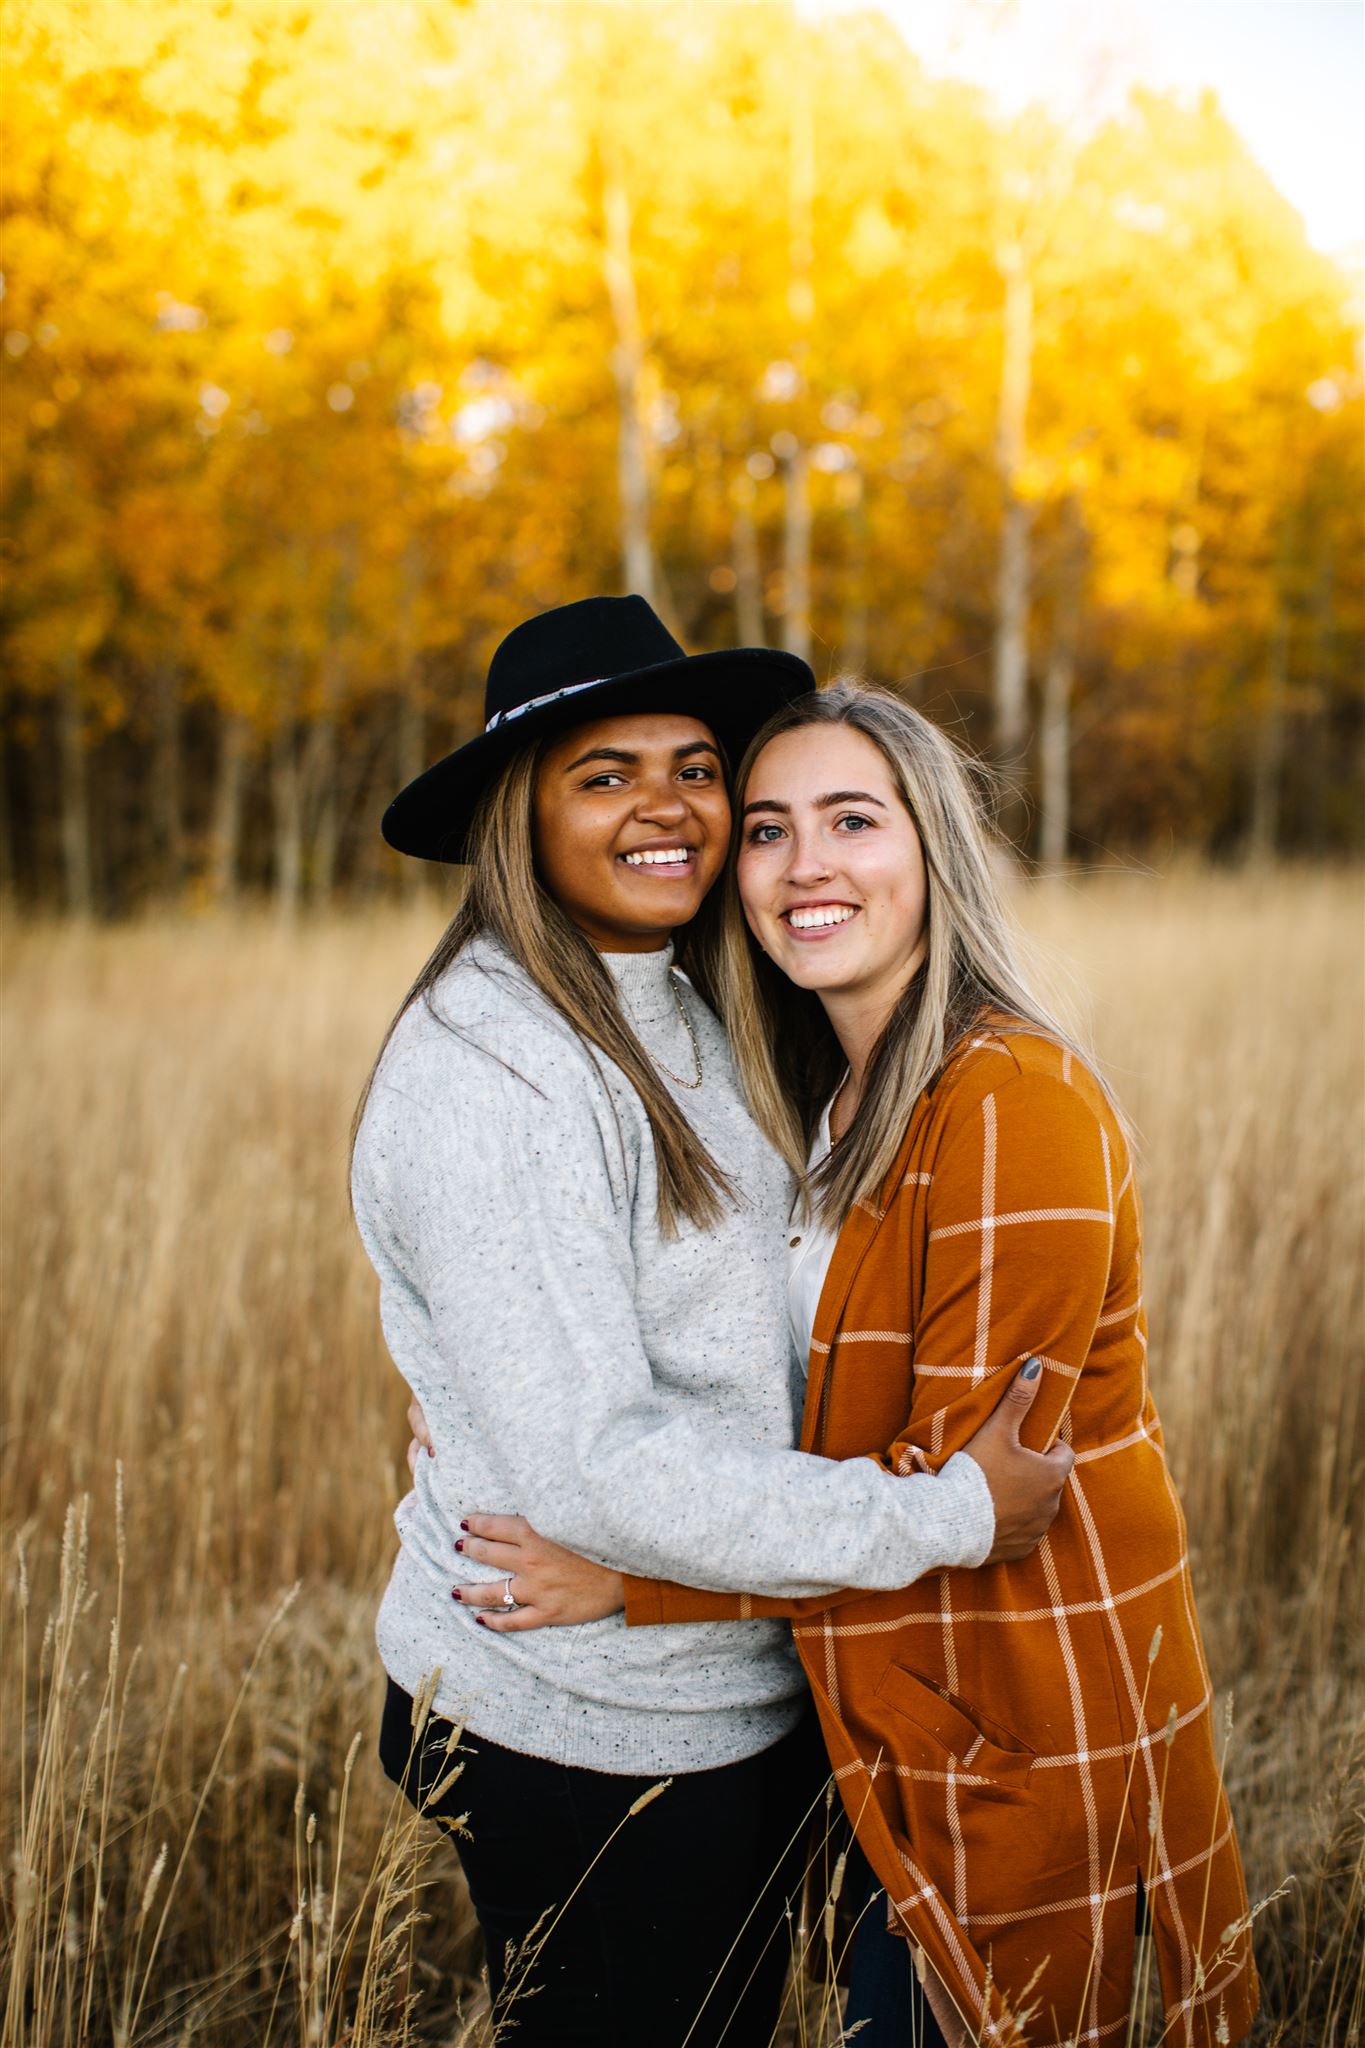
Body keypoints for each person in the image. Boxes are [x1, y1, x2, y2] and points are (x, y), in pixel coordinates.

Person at [440, 681, 1259, 2047]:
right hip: (900, 1732)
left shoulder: (1011, 1105)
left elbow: (968, 1511)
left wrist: (631, 1579)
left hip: (1013, 1734)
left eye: (850, 821)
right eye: (765, 829)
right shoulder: (831, 1096)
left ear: (932, 848)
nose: (803, 865)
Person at [352, 600, 1071, 2048]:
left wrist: (484, 1396)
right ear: (517, 811)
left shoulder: (684, 996)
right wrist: (940, 1516)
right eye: (602, 774)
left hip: (717, 1679)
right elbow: (596, 1473)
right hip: (589, 1726)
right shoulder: (499, 1068)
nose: (665, 808)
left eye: (691, 766)